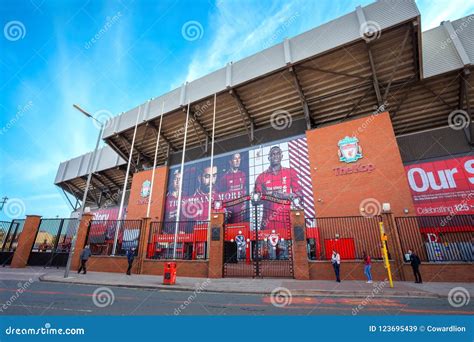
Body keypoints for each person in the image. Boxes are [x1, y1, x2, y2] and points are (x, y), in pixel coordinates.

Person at [254, 146, 303, 230]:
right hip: (267, 223)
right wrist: (271, 195)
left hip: (287, 221)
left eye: (278, 154)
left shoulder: (290, 172)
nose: (275, 156)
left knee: (290, 242)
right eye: (273, 154)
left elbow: (299, 195)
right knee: (265, 243)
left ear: (281, 156)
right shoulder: (261, 177)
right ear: (269, 157)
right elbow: (254, 201)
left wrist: (287, 196)